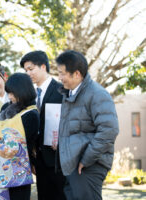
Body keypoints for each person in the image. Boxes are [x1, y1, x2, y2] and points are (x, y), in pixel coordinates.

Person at [56, 50, 119, 200]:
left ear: (76, 74)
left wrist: (86, 159)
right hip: (74, 165)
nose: (60, 78)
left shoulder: (97, 94)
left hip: (88, 165)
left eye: (62, 73)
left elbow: (109, 130)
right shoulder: (70, 93)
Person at [20, 50, 66, 200]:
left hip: (60, 160)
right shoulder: (30, 96)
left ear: (43, 67)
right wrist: (32, 160)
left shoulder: (62, 91)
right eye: (26, 70)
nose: (28, 73)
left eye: (31, 69)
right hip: (38, 162)